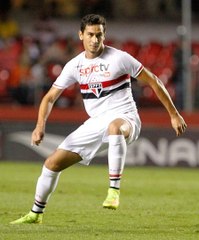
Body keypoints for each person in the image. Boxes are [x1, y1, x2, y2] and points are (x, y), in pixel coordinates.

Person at [10, 14, 187, 224]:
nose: (95, 40)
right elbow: (49, 98)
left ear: (105, 35)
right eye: (91, 35)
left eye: (99, 35)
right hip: (95, 123)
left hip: (126, 118)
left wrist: (174, 114)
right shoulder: (75, 65)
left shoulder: (119, 58)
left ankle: (114, 191)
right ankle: (35, 214)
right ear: (81, 35)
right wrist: (40, 126)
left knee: (114, 128)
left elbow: (154, 81)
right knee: (51, 164)